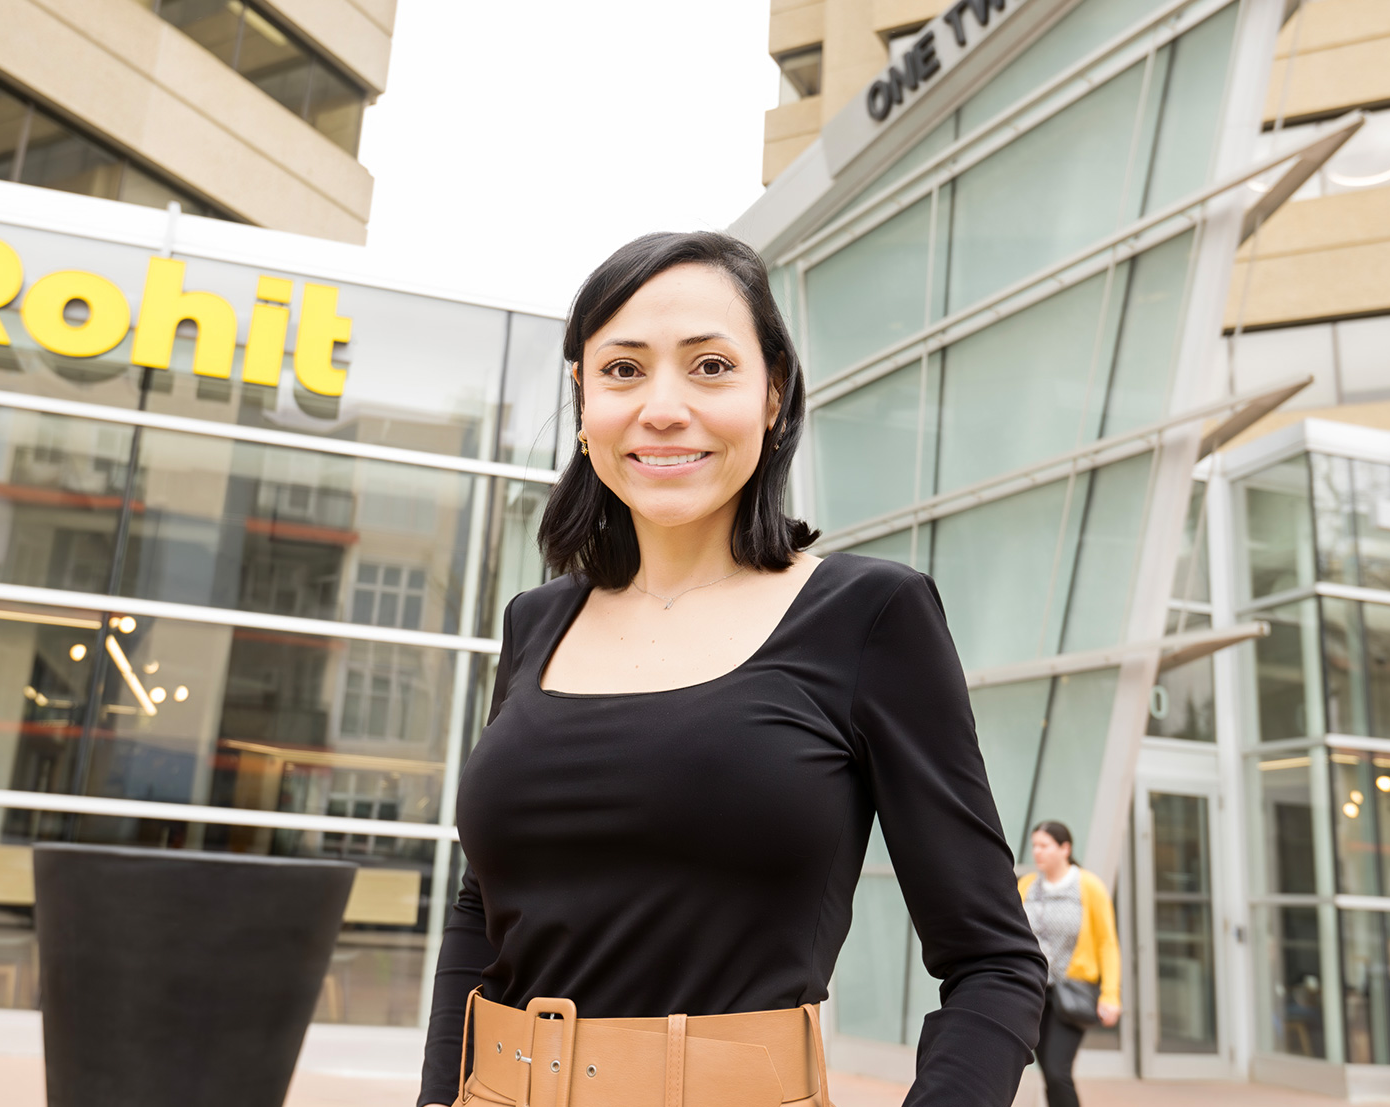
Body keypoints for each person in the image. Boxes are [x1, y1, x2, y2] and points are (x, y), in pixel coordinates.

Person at [417, 232, 1046, 1107]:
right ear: (583, 397)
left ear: (772, 393)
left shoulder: (868, 616)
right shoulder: (537, 623)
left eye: (710, 367)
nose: (664, 407)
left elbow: (994, 961)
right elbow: (479, 919)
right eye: (623, 370)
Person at [1015, 821, 1121, 1107]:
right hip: (1035, 991)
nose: (1037, 851)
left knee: (1057, 1070)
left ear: (1065, 848)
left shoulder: (1088, 886)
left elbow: (1107, 944)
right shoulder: (1026, 886)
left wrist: (1110, 996)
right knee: (1049, 1071)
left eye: (1044, 845)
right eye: (1034, 845)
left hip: (1071, 991)